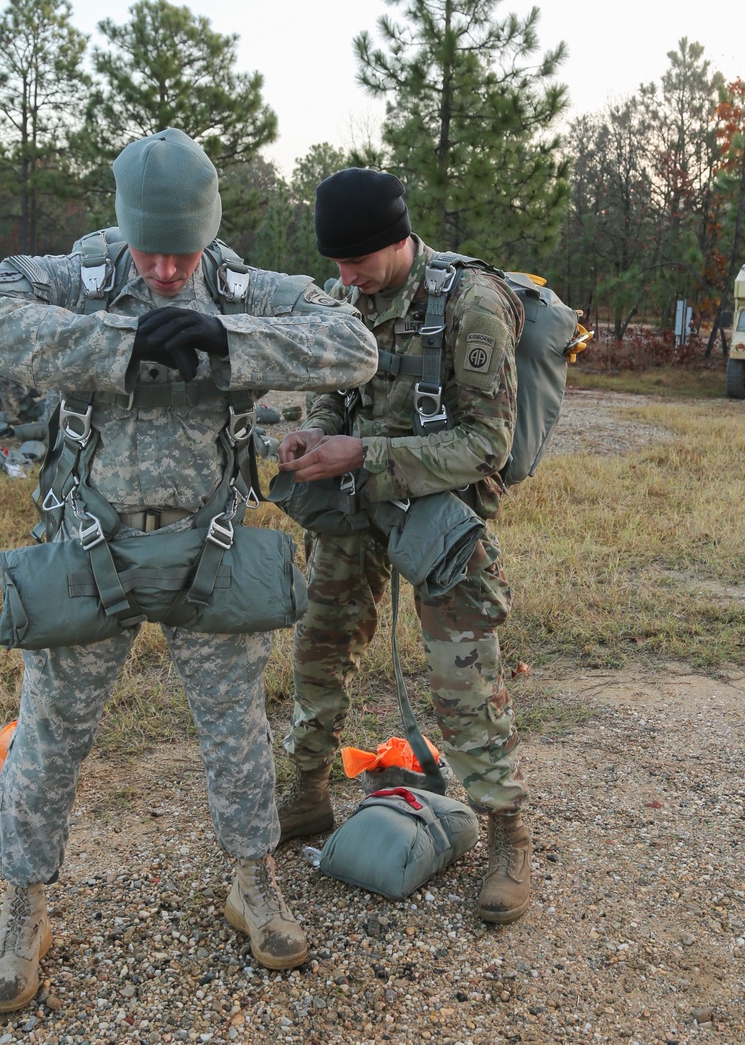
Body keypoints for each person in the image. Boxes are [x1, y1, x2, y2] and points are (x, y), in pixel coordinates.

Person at [0, 128, 379, 1011]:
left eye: (184, 252)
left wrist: (223, 340)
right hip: (87, 550)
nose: (169, 270)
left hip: (209, 554)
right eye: (152, 250)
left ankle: (252, 883)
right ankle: (23, 909)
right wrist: (127, 345)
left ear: (209, 232)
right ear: (122, 227)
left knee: (237, 733)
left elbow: (352, 344)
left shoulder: (245, 288)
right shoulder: (78, 275)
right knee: (48, 738)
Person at [277, 168, 532, 925]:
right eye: (337, 265)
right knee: (319, 645)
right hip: (359, 500)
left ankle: (508, 833)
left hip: (440, 513)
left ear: (396, 240)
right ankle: (311, 793)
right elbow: (337, 386)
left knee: (465, 680)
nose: (344, 278)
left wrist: (365, 455)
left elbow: (488, 443)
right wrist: (320, 430)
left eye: (356, 263)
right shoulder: (348, 297)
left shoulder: (473, 308)